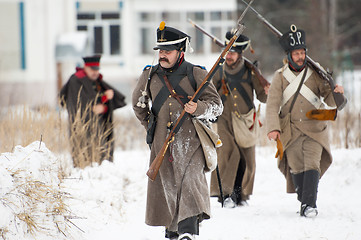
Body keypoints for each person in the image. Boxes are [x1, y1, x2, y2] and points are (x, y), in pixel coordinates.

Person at [132, 22, 222, 240]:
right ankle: (174, 234)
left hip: (192, 143)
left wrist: (198, 108)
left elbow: (216, 106)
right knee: (169, 190)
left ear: (180, 51)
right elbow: (138, 105)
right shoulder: (150, 75)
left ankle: (188, 233)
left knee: (190, 184)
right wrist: (151, 128)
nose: (162, 55)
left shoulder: (196, 73)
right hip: (163, 144)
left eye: (168, 51)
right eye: (161, 51)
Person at [265, 25, 344, 217]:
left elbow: (330, 99)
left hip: (315, 128)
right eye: (296, 53)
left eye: (302, 53)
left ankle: (309, 205)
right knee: (297, 169)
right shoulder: (280, 76)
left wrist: (337, 93)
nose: (300, 56)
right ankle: (304, 197)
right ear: (289, 55)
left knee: (312, 165)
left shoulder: (317, 74)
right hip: (290, 130)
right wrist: (273, 128)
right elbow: (272, 105)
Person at [210, 32, 268, 208]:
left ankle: (241, 194)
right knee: (228, 153)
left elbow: (263, 98)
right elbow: (209, 93)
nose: (229, 56)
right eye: (227, 52)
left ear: (240, 54)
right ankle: (226, 195)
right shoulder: (218, 71)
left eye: (233, 53)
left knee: (247, 159)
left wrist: (266, 90)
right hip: (223, 119)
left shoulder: (251, 71)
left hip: (245, 121)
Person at [60, 55, 126, 168]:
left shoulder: (96, 81)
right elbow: (79, 104)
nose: (95, 72)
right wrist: (103, 99)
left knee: (102, 151)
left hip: (100, 125)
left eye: (97, 69)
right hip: (84, 126)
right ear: (85, 67)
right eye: (92, 69)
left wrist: (104, 106)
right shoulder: (76, 80)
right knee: (85, 153)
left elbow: (98, 102)